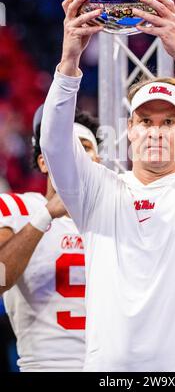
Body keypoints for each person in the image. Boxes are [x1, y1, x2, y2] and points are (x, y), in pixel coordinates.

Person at [40, 0, 175, 372]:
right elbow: (54, 143)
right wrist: (69, 62)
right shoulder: (99, 192)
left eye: (169, 122)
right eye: (145, 121)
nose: (156, 132)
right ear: (128, 130)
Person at [0, 105, 101, 372]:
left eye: (85, 147)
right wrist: (45, 216)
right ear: (44, 161)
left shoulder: (115, 220)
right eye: (65, 147)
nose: (76, 155)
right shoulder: (19, 210)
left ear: (98, 162)